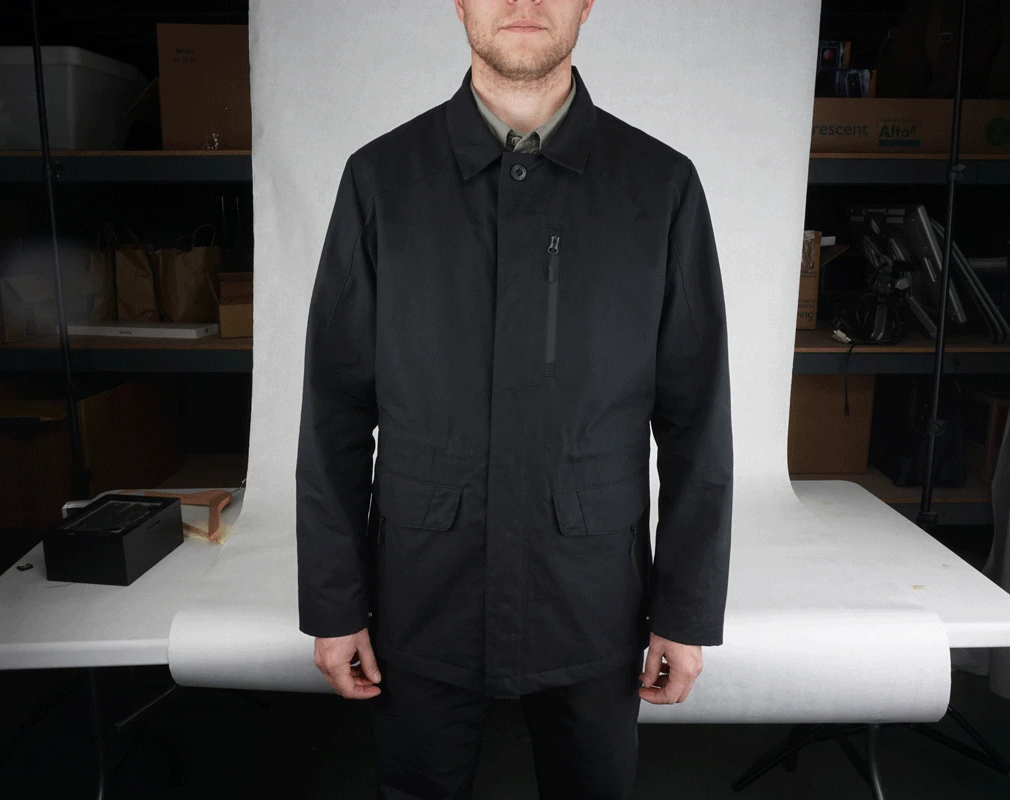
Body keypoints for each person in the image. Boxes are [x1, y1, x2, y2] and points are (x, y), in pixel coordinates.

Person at [294, 1, 733, 797]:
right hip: (423, 593)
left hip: (592, 599)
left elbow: (698, 421)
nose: (524, 2)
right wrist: (335, 602)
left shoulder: (659, 185)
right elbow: (334, 412)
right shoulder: (381, 180)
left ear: (587, 3)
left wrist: (686, 610)